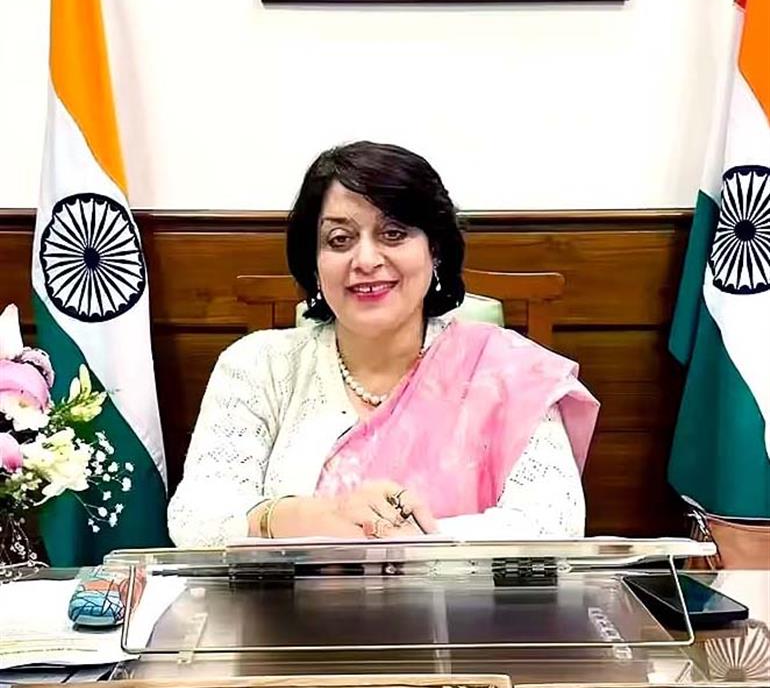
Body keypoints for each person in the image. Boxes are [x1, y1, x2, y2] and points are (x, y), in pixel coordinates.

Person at [168, 141, 599, 547]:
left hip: (465, 602)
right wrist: (313, 516)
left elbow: (553, 524)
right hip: (289, 603)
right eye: (340, 240)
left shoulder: (509, 371)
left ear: (435, 250)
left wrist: (396, 540)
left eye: (393, 233)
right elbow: (195, 519)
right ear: (314, 263)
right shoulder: (259, 365)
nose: (366, 260)